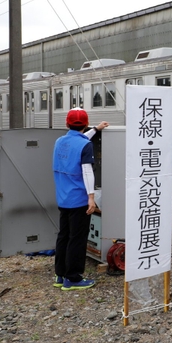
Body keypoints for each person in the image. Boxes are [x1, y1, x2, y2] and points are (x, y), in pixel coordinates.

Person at [52, 108, 109, 291]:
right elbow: (87, 171)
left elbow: (78, 141)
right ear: (85, 124)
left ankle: (60, 275)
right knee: (77, 238)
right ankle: (73, 278)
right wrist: (91, 197)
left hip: (63, 198)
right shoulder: (85, 145)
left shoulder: (60, 141)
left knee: (64, 236)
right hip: (79, 199)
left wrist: (96, 129)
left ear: (66, 124)